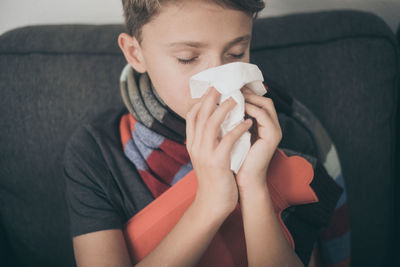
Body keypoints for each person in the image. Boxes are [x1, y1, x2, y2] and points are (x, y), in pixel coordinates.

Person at [63, 0, 350, 266]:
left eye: (236, 53)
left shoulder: (278, 136)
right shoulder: (96, 153)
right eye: (188, 58)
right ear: (135, 54)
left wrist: (254, 188)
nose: (219, 82)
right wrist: (210, 203)